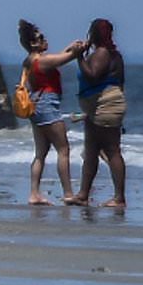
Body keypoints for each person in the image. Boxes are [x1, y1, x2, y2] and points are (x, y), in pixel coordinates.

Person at [19, 19, 83, 206]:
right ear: (33, 43)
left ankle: (34, 193)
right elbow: (64, 60)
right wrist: (78, 49)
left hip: (35, 105)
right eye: (41, 38)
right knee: (63, 149)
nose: (45, 41)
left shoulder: (29, 61)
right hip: (47, 104)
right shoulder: (42, 61)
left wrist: (69, 48)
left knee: (40, 153)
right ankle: (69, 193)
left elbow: (57, 59)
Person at [74, 17, 127, 209]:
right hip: (108, 104)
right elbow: (120, 82)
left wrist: (79, 56)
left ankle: (118, 198)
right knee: (93, 150)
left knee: (109, 150)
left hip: (104, 104)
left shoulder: (103, 53)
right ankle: (83, 194)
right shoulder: (115, 55)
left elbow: (93, 75)